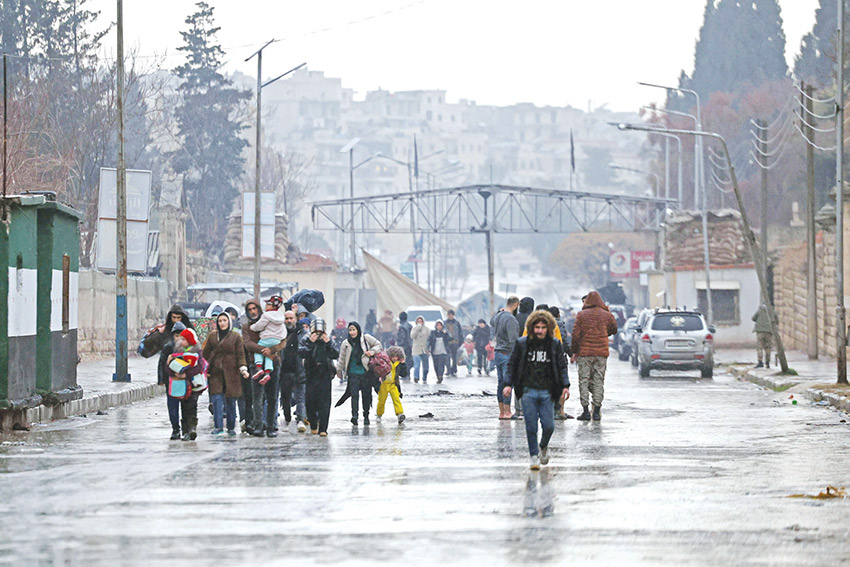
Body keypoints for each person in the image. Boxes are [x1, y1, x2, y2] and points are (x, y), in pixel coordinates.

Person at [503, 310, 570, 470]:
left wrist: (565, 386)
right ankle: (534, 456)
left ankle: (543, 446)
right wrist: (507, 384)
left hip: (548, 391)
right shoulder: (522, 344)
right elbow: (512, 365)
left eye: (543, 327)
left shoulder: (554, 344)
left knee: (549, 426)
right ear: (531, 328)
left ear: (549, 328)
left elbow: (561, 366)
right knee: (531, 426)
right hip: (528, 391)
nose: (540, 330)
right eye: (537, 327)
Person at [570, 291, 618, 422]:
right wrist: (604, 333)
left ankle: (585, 411)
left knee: (584, 381)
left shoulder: (581, 315)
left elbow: (575, 335)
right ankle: (596, 411)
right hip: (601, 353)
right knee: (599, 381)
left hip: (585, 353)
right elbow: (614, 329)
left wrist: (574, 351)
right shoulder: (606, 315)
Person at [242, 298, 284, 437]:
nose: (253, 312)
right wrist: (264, 350)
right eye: (250, 310)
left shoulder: (270, 320)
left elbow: (282, 341)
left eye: (254, 308)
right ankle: (258, 425)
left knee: (272, 396)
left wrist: (272, 350)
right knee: (257, 397)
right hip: (256, 364)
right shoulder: (247, 327)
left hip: (273, 361)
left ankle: (271, 426)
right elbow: (248, 344)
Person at [203, 312, 249, 436]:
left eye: (224, 320)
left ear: (229, 321)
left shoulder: (236, 337)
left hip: (232, 373)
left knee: (231, 401)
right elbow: (205, 354)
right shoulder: (212, 336)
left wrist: (243, 369)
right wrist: (203, 369)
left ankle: (231, 427)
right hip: (216, 373)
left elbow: (240, 355)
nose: (222, 323)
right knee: (217, 400)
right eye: (220, 321)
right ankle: (218, 426)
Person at [337, 322, 382, 426]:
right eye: (350, 330)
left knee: (366, 395)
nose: (352, 332)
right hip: (353, 373)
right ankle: (354, 416)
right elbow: (342, 358)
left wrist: (371, 352)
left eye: (354, 330)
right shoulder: (346, 343)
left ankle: (366, 416)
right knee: (354, 395)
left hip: (366, 372)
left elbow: (378, 345)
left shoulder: (366, 338)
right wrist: (339, 370)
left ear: (358, 330)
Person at [299, 318, 339, 436]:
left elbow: (335, 354)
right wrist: (311, 343)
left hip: (325, 372)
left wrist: (328, 343)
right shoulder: (306, 338)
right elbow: (301, 352)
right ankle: (313, 424)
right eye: (316, 331)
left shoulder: (328, 339)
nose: (318, 334)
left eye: (320, 332)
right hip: (311, 372)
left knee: (325, 402)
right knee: (310, 401)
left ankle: (323, 429)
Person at [166, 328, 204, 441]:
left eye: (184, 339)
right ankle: (185, 430)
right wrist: (175, 372)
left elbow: (199, 367)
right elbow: (169, 366)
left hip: (194, 384)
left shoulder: (197, 351)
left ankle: (192, 428)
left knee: (192, 406)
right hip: (182, 385)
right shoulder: (177, 350)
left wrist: (186, 374)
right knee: (184, 406)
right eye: (180, 339)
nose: (181, 341)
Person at [279, 310, 309, 432]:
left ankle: (300, 419)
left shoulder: (302, 333)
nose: (289, 321)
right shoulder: (280, 332)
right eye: (287, 318)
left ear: (295, 319)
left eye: (291, 318)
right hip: (284, 370)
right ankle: (287, 417)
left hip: (299, 369)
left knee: (300, 396)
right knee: (285, 397)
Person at [491, 296, 520, 419]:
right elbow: (513, 340)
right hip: (507, 354)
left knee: (501, 383)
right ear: (516, 305)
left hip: (498, 353)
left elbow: (491, 322)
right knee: (508, 383)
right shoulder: (511, 319)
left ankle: (502, 412)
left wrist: (499, 311)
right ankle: (507, 411)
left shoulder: (498, 316)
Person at [249, 295, 287, 385]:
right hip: (277, 340)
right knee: (269, 355)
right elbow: (284, 331)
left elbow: (259, 326)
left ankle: (259, 368)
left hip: (267, 338)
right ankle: (267, 373)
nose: (266, 305)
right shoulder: (281, 316)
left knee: (259, 350)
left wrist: (252, 327)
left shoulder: (266, 315)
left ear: (272, 306)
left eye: (268, 304)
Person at [377, 346, 407, 424]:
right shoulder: (384, 363)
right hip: (383, 384)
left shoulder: (399, 364)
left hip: (394, 384)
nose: (394, 358)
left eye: (396, 356)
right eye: (393, 356)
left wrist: (403, 364)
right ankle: (379, 414)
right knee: (381, 401)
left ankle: (400, 414)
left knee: (396, 399)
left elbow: (404, 374)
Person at [752, 304, 777, 368]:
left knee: (759, 347)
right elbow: (777, 321)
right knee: (768, 348)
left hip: (760, 331)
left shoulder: (760, 310)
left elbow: (753, 318)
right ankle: (767, 363)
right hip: (769, 332)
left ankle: (760, 362)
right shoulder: (773, 311)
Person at [411, 315, 431, 383]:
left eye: (421, 321)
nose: (420, 322)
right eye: (418, 321)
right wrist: (418, 328)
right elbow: (412, 336)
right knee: (417, 365)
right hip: (416, 349)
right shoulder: (414, 329)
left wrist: (429, 348)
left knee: (426, 367)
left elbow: (429, 339)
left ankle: (424, 378)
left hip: (425, 350)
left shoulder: (427, 329)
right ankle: (416, 377)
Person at [444, 310, 464, 376]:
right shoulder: (444, 323)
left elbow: (460, 332)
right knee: (447, 357)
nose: (450, 316)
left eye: (451, 315)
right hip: (447, 342)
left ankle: (454, 369)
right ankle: (448, 370)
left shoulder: (457, 323)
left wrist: (461, 341)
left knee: (454, 357)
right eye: (449, 315)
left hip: (455, 342)